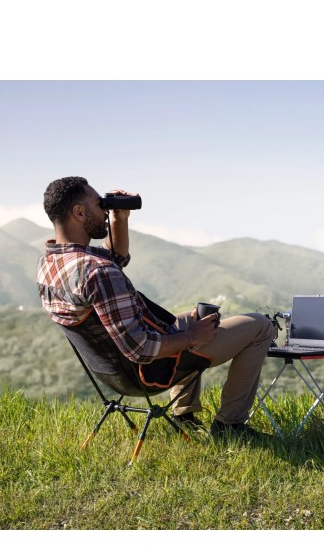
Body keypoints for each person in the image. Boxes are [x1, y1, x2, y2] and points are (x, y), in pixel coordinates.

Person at [36, 176, 275, 439]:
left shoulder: (51, 263)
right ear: (79, 213)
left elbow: (116, 258)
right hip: (148, 371)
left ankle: (185, 414)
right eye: (99, 204)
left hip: (112, 372)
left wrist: (119, 218)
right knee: (260, 326)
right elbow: (141, 349)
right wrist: (191, 337)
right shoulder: (97, 272)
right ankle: (230, 425)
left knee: (189, 319)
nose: (104, 210)